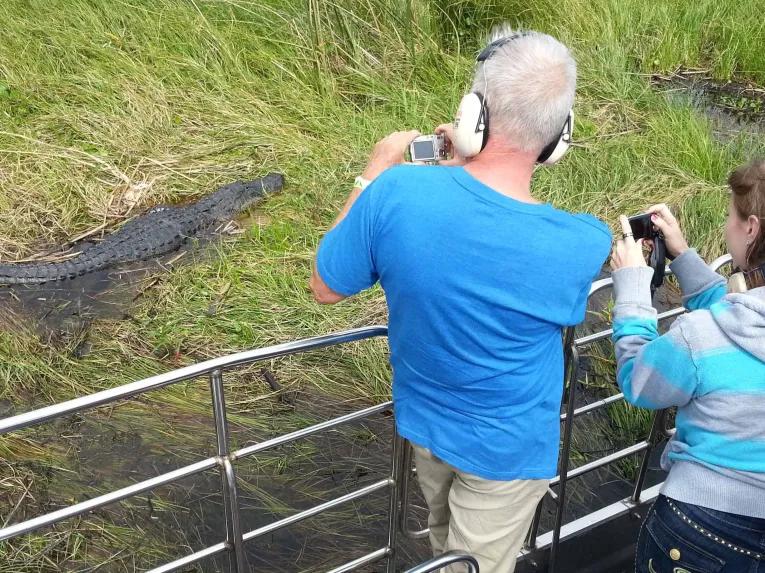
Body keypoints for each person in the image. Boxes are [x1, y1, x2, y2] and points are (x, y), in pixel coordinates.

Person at [310, 27, 611, 572]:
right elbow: (498, 236)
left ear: (474, 114)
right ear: (558, 138)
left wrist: (372, 175)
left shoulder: (397, 191)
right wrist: (470, 167)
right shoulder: (585, 240)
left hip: (425, 424)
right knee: (465, 562)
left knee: (444, 548)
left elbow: (326, 286)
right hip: (508, 451)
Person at [610, 159, 765, 573]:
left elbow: (639, 380)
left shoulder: (699, 336)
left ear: (751, 227)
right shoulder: (730, 324)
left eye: (731, 216)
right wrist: (680, 254)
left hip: (701, 531)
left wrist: (631, 289)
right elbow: (747, 317)